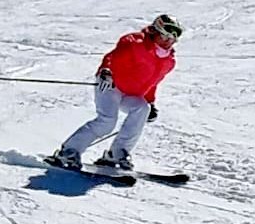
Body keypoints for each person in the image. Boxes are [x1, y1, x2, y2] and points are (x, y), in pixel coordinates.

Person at [53, 14, 183, 170]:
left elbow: (152, 83)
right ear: (155, 31)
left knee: (142, 108)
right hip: (111, 84)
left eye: (172, 39)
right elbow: (112, 57)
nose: (168, 41)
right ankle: (69, 152)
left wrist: (151, 102)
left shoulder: (168, 61)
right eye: (165, 36)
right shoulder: (135, 42)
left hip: (130, 93)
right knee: (107, 121)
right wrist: (106, 70)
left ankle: (117, 154)